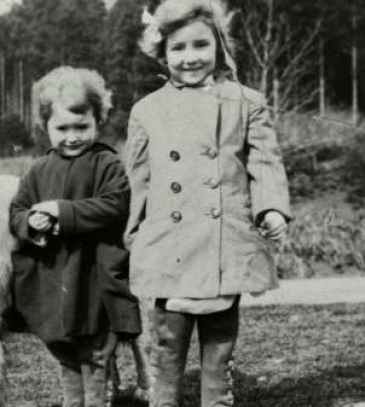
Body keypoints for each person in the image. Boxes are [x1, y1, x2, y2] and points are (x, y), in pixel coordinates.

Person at [124, 1, 291, 406]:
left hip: (224, 242)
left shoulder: (246, 102)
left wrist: (271, 208)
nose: (191, 57)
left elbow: (265, 161)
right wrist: (131, 236)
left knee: (219, 347)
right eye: (178, 48)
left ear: (219, 46)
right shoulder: (147, 111)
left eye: (201, 44)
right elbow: (137, 181)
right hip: (170, 244)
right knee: (168, 343)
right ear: (162, 55)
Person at [10, 66, 141, 407]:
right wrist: (31, 222)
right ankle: (73, 401)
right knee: (65, 353)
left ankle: (97, 401)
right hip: (53, 278)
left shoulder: (106, 163)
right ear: (45, 126)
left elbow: (115, 205)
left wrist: (62, 211)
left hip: (93, 276)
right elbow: (16, 213)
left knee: (96, 353)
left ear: (98, 121)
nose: (72, 136)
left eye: (81, 127)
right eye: (61, 127)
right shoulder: (38, 170)